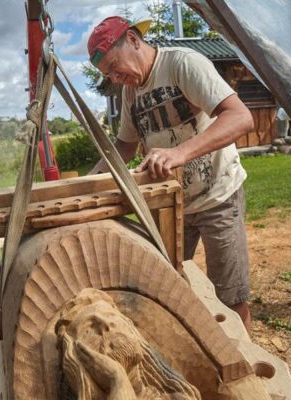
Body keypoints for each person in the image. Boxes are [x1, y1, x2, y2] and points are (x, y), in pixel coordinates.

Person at [87, 16, 254, 331]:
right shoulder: (131, 92)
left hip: (217, 195)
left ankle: (247, 369)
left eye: (113, 65)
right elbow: (124, 145)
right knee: (170, 285)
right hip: (173, 203)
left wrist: (179, 153)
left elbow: (241, 118)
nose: (114, 76)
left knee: (230, 296)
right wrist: (89, 182)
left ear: (134, 41)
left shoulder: (183, 64)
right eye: (107, 73)